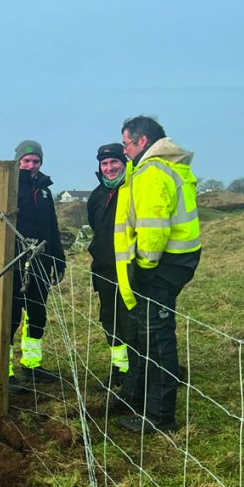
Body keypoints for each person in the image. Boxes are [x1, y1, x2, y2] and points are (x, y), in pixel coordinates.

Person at [114, 116, 201, 434]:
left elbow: (153, 227)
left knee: (158, 340)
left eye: (126, 143)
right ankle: (148, 405)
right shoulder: (170, 165)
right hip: (178, 261)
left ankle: (160, 416)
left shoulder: (151, 171)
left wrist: (143, 268)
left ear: (141, 140)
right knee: (154, 336)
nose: (124, 151)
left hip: (162, 266)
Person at [0, 140, 66, 392]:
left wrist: (58, 259)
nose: (31, 165)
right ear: (17, 161)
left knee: (38, 314)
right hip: (12, 265)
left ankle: (32, 364)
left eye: (36, 161)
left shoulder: (45, 191)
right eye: (26, 161)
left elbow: (52, 227)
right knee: (11, 316)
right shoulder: (2, 189)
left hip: (40, 262)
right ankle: (5, 371)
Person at [87, 144, 134, 388]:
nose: (109, 168)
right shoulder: (96, 196)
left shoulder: (134, 189)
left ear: (124, 162)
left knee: (132, 320)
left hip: (130, 269)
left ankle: (137, 371)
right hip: (104, 269)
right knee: (110, 319)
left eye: (114, 162)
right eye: (104, 164)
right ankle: (120, 369)